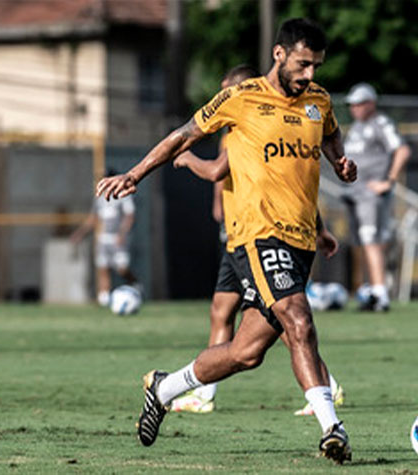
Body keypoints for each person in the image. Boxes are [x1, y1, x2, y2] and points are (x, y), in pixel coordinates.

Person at [96, 18, 356, 464]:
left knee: (246, 352)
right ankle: (332, 428)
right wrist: (134, 174)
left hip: (300, 242)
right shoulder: (241, 98)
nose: (309, 75)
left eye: (316, 66)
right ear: (279, 54)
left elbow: (328, 138)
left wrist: (339, 163)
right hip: (256, 236)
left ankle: (166, 387)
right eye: (302, 64)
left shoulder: (319, 101)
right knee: (299, 319)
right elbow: (183, 136)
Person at [170, 65, 346, 417]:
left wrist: (188, 159)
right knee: (240, 315)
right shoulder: (238, 125)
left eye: (224, 90)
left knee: (283, 320)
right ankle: (202, 391)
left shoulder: (246, 121)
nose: (219, 98)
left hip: (255, 239)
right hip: (240, 236)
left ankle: (325, 388)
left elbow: (221, 170)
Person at [342, 83, 411, 312]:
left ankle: (381, 293)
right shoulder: (357, 128)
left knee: (372, 240)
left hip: (370, 194)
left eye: (360, 104)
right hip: (354, 193)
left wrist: (388, 181)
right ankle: (369, 290)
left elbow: (402, 150)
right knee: (361, 242)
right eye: (353, 105)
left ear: (371, 103)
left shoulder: (380, 123)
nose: (355, 109)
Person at [70, 169, 139, 307]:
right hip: (103, 238)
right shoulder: (99, 198)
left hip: (117, 238)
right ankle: (104, 298)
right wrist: (80, 233)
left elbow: (129, 216)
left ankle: (135, 285)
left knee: (122, 268)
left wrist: (122, 233)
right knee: (103, 267)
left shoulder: (123, 196)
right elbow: (93, 219)